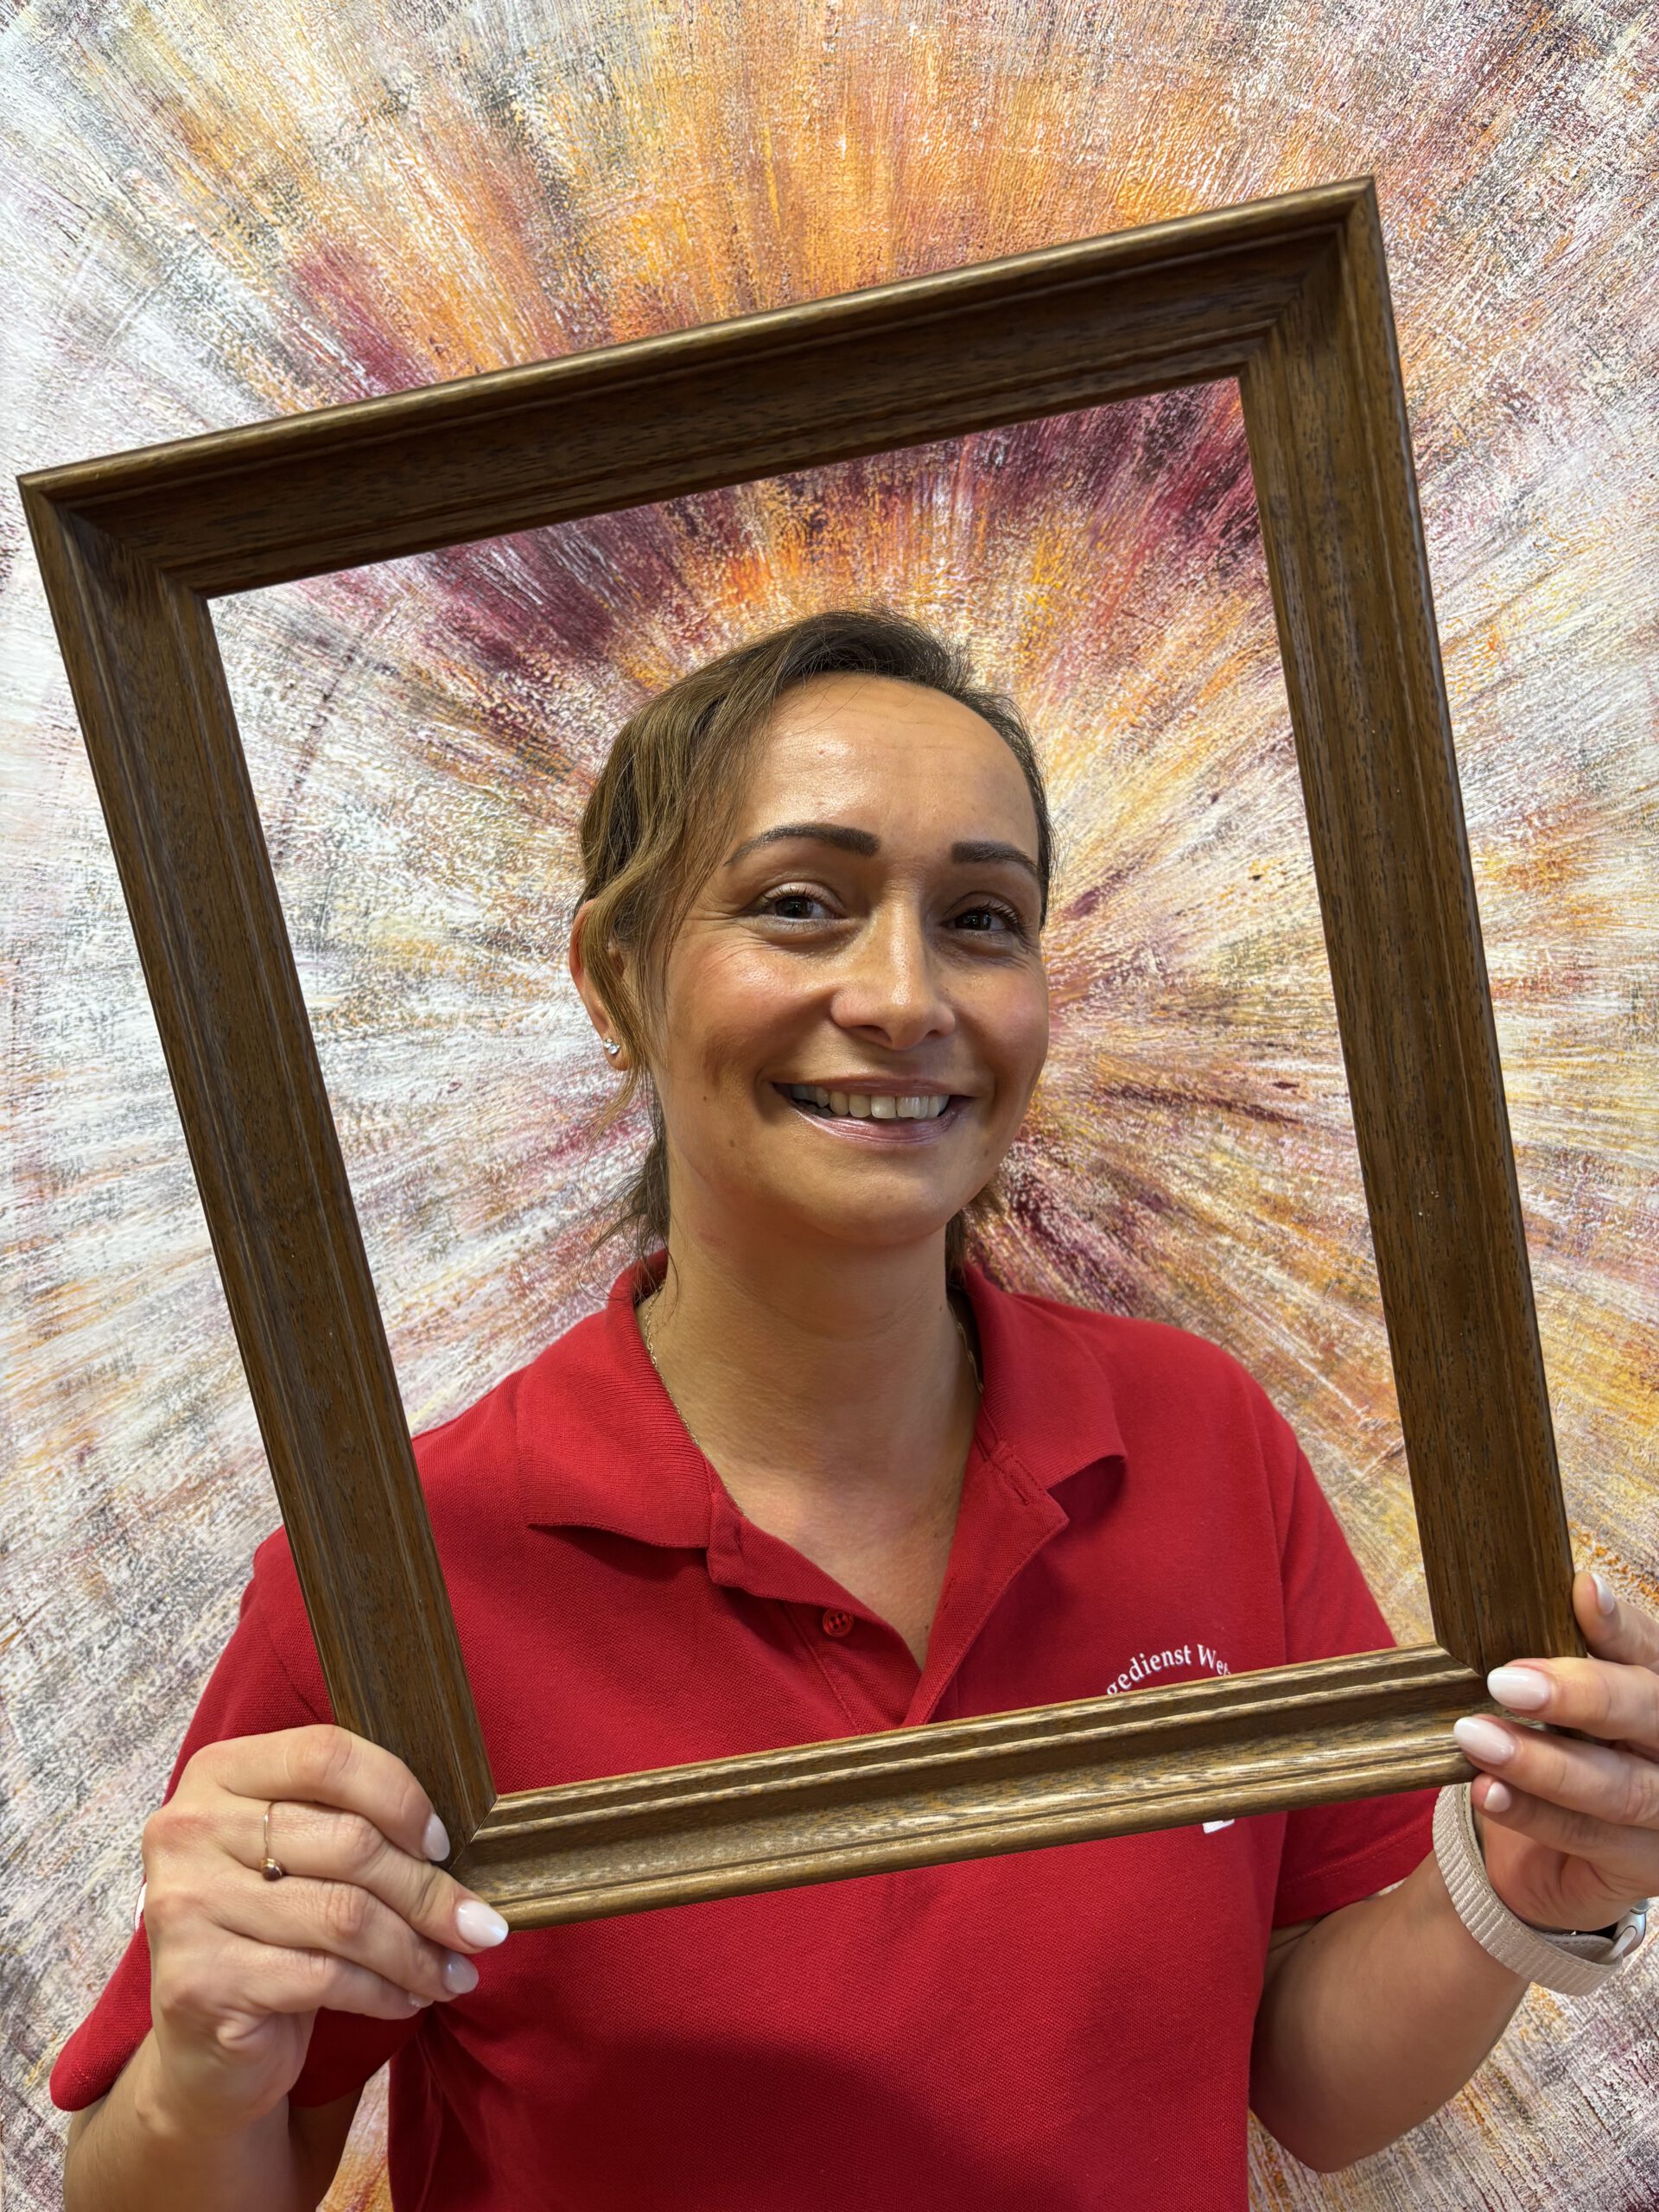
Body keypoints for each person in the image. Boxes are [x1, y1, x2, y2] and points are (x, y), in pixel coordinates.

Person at [54, 610, 1656, 2211]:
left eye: (982, 919)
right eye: (801, 904)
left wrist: (1523, 1885)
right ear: (615, 975)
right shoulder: (397, 1580)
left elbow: (1309, 2080)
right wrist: (208, 2058)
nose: (902, 995)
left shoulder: (1200, 1440)